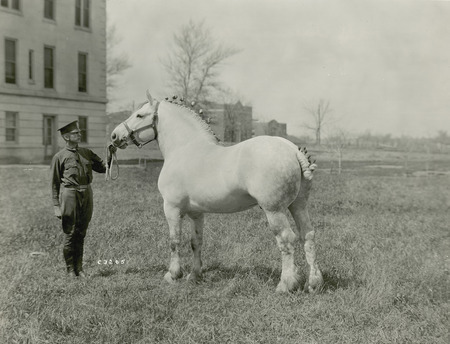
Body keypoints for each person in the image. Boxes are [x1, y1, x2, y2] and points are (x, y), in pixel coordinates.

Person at [50, 120, 115, 278]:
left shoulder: (87, 153)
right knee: (70, 233)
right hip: (69, 195)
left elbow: (102, 168)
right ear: (66, 137)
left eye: (79, 132)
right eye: (75, 133)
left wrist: (111, 154)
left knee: (81, 232)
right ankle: (70, 270)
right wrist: (56, 205)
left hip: (87, 195)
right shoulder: (59, 157)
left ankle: (79, 269)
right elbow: (54, 184)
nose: (79, 134)